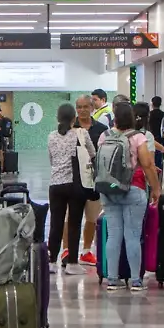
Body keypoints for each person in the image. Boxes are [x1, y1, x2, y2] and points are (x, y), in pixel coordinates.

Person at [100, 101, 160, 292]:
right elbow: (148, 165)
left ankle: (112, 279)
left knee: (113, 234)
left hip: (108, 189)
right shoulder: (138, 137)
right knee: (132, 235)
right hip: (133, 189)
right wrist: (156, 188)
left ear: (115, 118)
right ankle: (135, 280)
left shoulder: (104, 135)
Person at [47, 103, 95, 275]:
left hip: (56, 184)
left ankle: (52, 261)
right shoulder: (81, 133)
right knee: (74, 223)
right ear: (74, 118)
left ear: (58, 118)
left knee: (55, 223)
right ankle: (73, 263)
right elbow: (92, 154)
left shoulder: (51, 136)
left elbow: (51, 159)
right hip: (76, 184)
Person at [66, 95, 109, 266]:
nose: (82, 110)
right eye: (79, 107)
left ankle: (86, 251)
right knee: (70, 218)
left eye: (86, 106)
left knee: (91, 217)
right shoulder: (68, 128)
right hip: (73, 180)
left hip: (93, 180)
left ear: (92, 108)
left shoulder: (102, 128)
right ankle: (67, 250)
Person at [149, 96, 164, 171]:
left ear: (152, 104)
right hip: (161, 141)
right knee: (160, 162)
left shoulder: (149, 115)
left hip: (151, 140)